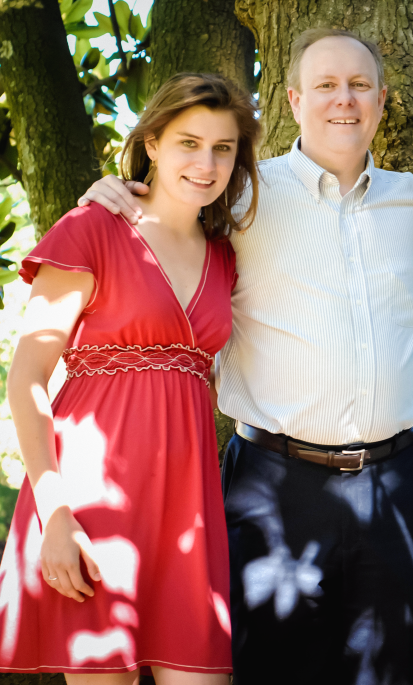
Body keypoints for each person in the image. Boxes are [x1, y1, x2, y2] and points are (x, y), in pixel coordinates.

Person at [77, 29, 413, 684]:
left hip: (395, 483)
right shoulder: (240, 196)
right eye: (325, 86)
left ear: (383, 101)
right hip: (274, 483)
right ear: (294, 99)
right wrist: (110, 196)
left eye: (359, 86)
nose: (343, 100)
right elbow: (158, 220)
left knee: (396, 668)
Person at [0, 73, 259, 681]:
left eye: (223, 148)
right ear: (151, 143)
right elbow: (28, 375)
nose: (206, 161)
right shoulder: (93, 227)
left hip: (189, 509)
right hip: (90, 498)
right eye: (188, 143)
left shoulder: (227, 254)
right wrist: (55, 513)